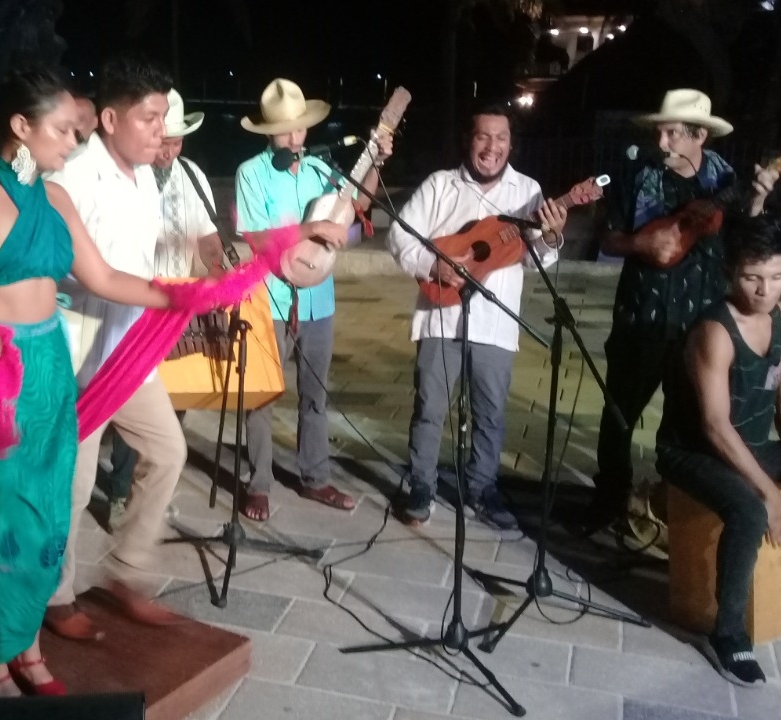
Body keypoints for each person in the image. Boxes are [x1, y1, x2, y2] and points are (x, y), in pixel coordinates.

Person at [0, 66, 174, 696]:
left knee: (45, 513)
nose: (73, 142)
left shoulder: (56, 199)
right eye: (64, 130)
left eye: (76, 131)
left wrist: (180, 296)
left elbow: (102, 279)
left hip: (48, 365)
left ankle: (27, 643)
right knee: (2, 514)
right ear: (21, 126)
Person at [579, 89, 779, 535]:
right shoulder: (637, 173)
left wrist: (759, 200)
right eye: (660, 131)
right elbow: (607, 238)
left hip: (700, 326)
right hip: (642, 316)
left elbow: (747, 245)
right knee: (618, 417)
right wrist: (637, 244)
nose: (662, 141)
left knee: (689, 427)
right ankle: (609, 498)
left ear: (700, 136)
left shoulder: (727, 181)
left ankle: (679, 510)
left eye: (672, 133)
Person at [46, 53, 187, 642]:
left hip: (128, 352)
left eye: (163, 119)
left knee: (169, 451)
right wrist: (174, 298)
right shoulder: (72, 179)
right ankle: (53, 597)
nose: (161, 132)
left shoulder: (147, 176)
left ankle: (126, 572)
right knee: (74, 487)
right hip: (78, 353)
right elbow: (81, 272)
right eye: (150, 119)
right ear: (109, 118)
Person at [387, 104, 567, 530]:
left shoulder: (528, 191)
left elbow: (538, 257)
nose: (492, 146)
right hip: (440, 316)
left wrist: (554, 235)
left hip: (496, 323)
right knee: (430, 407)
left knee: (490, 412)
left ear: (511, 143)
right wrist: (434, 266)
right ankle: (422, 485)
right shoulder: (440, 185)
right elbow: (398, 233)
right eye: (483, 137)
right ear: (470, 140)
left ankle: (482, 487)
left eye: (501, 138)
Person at [655, 216, 781, 687]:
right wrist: (768, 494)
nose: (766, 289)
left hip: (746, 445)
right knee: (747, 508)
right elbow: (715, 426)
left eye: (778, 275)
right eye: (753, 277)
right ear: (730, 271)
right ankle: (728, 635)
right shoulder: (715, 332)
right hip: (693, 450)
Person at [234, 78, 387, 522]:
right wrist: (308, 231)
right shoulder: (251, 173)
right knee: (261, 394)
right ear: (267, 134)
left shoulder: (323, 170)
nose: (295, 139)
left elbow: (357, 202)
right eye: (285, 131)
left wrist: (376, 161)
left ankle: (314, 477)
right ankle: (258, 483)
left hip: (320, 298)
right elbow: (256, 237)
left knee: (315, 394)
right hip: (271, 298)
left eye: (300, 130)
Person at [103, 87, 225, 527]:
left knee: (173, 402)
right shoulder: (126, 176)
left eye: (177, 141)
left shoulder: (191, 174)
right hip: (137, 304)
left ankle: (151, 494)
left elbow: (208, 235)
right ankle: (120, 494)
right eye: (164, 140)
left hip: (181, 306)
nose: (170, 149)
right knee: (131, 399)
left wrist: (219, 269)